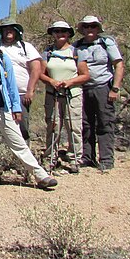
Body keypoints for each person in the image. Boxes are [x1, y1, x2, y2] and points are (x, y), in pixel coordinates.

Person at [0, 25, 57, 194]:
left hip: (2, 106)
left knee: (18, 141)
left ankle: (40, 175)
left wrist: (15, 107)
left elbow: (11, 85)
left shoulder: (1, 58)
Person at [74, 15, 125, 171]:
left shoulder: (106, 43)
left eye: (93, 26)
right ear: (82, 29)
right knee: (85, 124)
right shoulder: (77, 46)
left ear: (98, 28)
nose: (90, 29)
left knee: (105, 122)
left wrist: (115, 88)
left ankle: (106, 159)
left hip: (103, 87)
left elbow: (119, 65)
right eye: (87, 26)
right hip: (83, 88)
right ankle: (87, 157)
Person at [40, 22, 90, 173]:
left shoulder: (76, 52)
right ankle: (51, 158)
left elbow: (85, 75)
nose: (60, 33)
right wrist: (52, 81)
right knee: (53, 126)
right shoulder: (47, 53)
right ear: (53, 34)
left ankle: (75, 159)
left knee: (73, 126)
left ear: (69, 34)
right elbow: (41, 74)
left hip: (72, 95)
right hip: (52, 95)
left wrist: (70, 82)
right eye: (57, 31)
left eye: (63, 31)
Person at [0, 18, 42, 141]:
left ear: (16, 31)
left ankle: (24, 155)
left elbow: (36, 69)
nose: (8, 31)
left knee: (22, 125)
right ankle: (3, 154)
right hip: (0, 95)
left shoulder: (26, 47)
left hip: (21, 94)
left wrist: (30, 90)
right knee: (1, 127)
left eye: (11, 29)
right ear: (1, 31)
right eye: (5, 29)